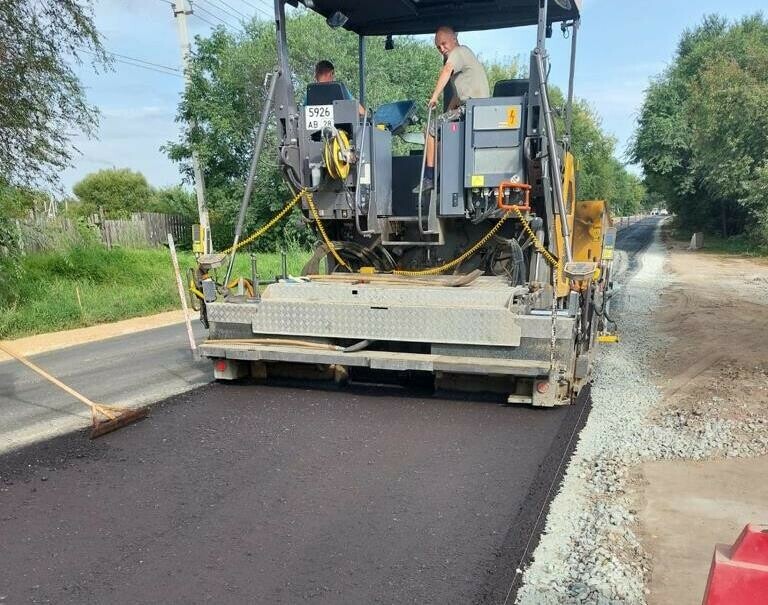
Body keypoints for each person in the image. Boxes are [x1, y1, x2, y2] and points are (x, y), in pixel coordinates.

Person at [414, 26, 490, 193]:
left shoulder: (458, 52)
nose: (442, 49)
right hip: (474, 109)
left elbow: (447, 70)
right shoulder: (465, 61)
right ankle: (442, 174)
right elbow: (457, 98)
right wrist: (445, 115)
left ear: (454, 39)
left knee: (430, 128)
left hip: (472, 109)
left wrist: (434, 96)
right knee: (439, 132)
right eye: (438, 47)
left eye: (444, 43)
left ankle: (430, 177)